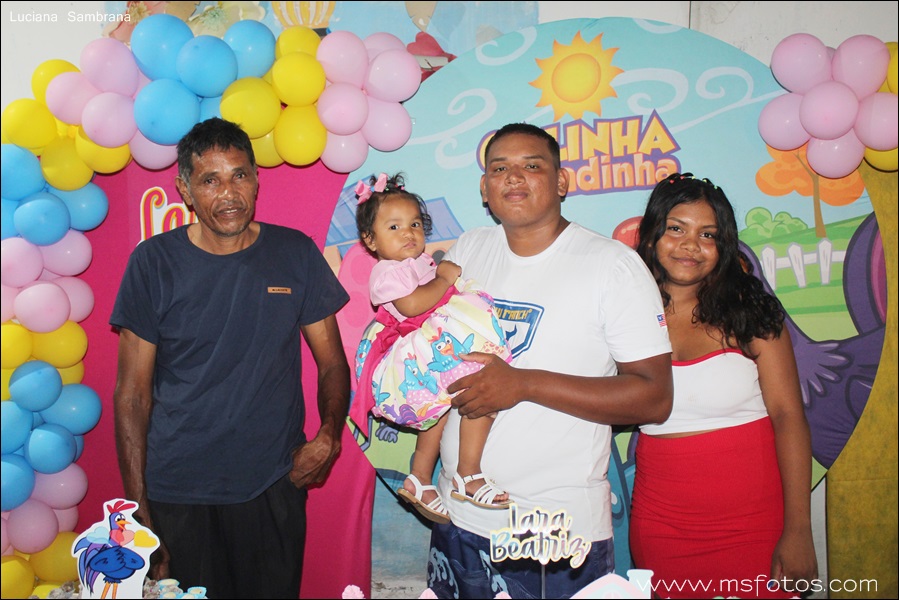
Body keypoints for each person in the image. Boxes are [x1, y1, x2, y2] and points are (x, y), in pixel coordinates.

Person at [426, 122, 674, 600]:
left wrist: (524, 383)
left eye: (531, 166)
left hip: (554, 532)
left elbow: (654, 397)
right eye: (500, 168)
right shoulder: (469, 249)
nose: (514, 177)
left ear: (561, 182)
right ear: (484, 188)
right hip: (457, 515)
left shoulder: (613, 266)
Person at [110, 117, 351, 599]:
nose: (229, 194)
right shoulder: (153, 263)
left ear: (257, 178)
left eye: (239, 175)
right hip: (177, 488)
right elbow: (132, 394)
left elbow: (332, 363)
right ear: (185, 189)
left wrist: (329, 435)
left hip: (272, 481)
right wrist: (138, 511)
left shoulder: (294, 252)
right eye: (210, 180)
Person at [629, 173, 818, 599]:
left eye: (707, 234)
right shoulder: (625, 312)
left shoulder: (747, 311)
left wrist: (799, 530)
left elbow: (789, 416)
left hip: (757, 524)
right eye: (676, 228)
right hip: (661, 525)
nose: (690, 246)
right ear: (652, 235)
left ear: (723, 245)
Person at [353, 172, 513, 525]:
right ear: (370, 239)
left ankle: (420, 478)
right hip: (415, 349)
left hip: (429, 343)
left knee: (438, 408)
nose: (407, 233)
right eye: (393, 227)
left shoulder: (417, 263)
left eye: (414, 224)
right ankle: (468, 473)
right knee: (480, 388)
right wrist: (443, 278)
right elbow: (412, 305)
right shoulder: (387, 272)